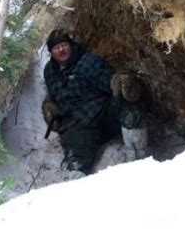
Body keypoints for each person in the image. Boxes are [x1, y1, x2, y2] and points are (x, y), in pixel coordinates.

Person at [42, 29, 148, 175]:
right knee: (75, 164)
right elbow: (52, 95)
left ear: (71, 45)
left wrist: (120, 81)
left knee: (127, 105)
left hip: (101, 112)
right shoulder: (49, 71)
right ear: (51, 52)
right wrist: (48, 106)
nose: (61, 50)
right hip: (77, 125)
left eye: (64, 45)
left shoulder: (87, 61)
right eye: (56, 47)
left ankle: (139, 159)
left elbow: (106, 78)